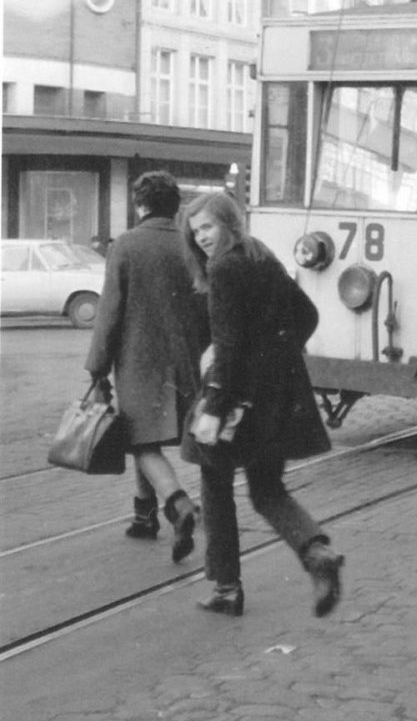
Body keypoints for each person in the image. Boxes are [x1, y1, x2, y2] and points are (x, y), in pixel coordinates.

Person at [180, 191, 342, 618]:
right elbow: (306, 314)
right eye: (195, 232)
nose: (201, 239)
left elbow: (228, 347)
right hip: (278, 398)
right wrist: (275, 357)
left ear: (229, 223)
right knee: (267, 488)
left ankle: (227, 589)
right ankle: (316, 552)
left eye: (208, 227)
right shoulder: (260, 255)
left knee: (215, 486)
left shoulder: (223, 268)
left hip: (235, 399)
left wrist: (213, 408)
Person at [85, 171, 207, 561]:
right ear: (176, 206)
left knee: (141, 439)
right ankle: (144, 516)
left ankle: (177, 504)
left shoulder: (126, 245)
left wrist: (97, 364)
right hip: (186, 361)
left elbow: (110, 310)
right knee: (148, 436)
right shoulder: (191, 245)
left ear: (140, 204)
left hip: (139, 362)